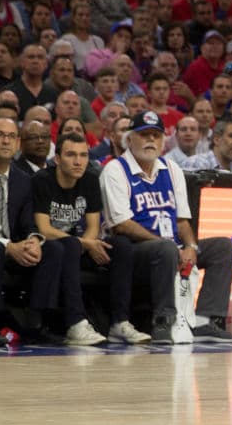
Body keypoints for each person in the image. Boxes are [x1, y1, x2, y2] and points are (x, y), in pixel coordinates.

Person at [99, 111, 232, 344]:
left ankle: (204, 321)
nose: (150, 140)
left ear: (164, 140)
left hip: (169, 246)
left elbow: (182, 220)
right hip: (133, 252)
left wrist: (191, 246)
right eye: (144, 135)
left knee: (223, 247)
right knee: (165, 249)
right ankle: (164, 320)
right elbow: (122, 225)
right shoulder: (116, 170)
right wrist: (169, 245)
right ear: (130, 138)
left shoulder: (171, 168)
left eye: (156, 135)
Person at [33, 132, 152, 344]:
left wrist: (87, 243)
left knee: (121, 245)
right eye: (71, 155)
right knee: (68, 244)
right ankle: (75, 324)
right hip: (51, 249)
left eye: (83, 155)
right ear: (57, 159)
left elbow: (93, 227)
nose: (78, 161)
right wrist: (85, 243)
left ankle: (120, 323)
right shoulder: (42, 180)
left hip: (80, 245)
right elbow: (44, 229)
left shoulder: (89, 180)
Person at [0, 117, 64, 344]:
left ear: (18, 143)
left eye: (11, 136)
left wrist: (33, 240)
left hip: (15, 245)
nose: (6, 141)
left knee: (54, 249)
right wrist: (8, 246)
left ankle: (37, 322)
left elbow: (29, 222)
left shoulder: (24, 180)